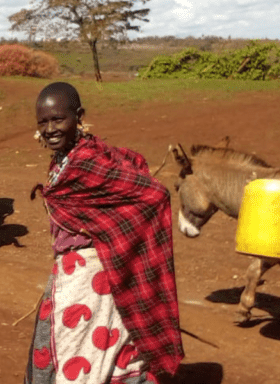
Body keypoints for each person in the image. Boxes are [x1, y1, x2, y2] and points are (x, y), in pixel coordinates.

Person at [26, 82, 183, 384]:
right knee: (73, 345)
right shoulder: (63, 160)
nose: (50, 129)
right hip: (71, 275)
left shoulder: (89, 160)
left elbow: (154, 195)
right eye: (43, 122)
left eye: (58, 119)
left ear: (79, 116)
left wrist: (116, 245)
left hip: (96, 277)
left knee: (81, 353)